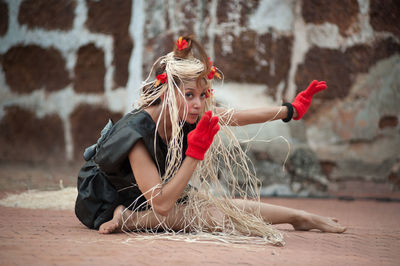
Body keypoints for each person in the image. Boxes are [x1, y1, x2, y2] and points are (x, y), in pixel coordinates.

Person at [75, 35, 346, 246]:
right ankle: (129, 220)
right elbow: (161, 205)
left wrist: (290, 111)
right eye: (189, 94)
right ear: (168, 92)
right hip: (105, 200)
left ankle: (298, 217)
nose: (198, 104)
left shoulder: (185, 114)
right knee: (198, 216)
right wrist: (195, 153)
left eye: (203, 95)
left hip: (145, 195)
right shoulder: (136, 134)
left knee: (217, 208)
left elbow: (233, 116)